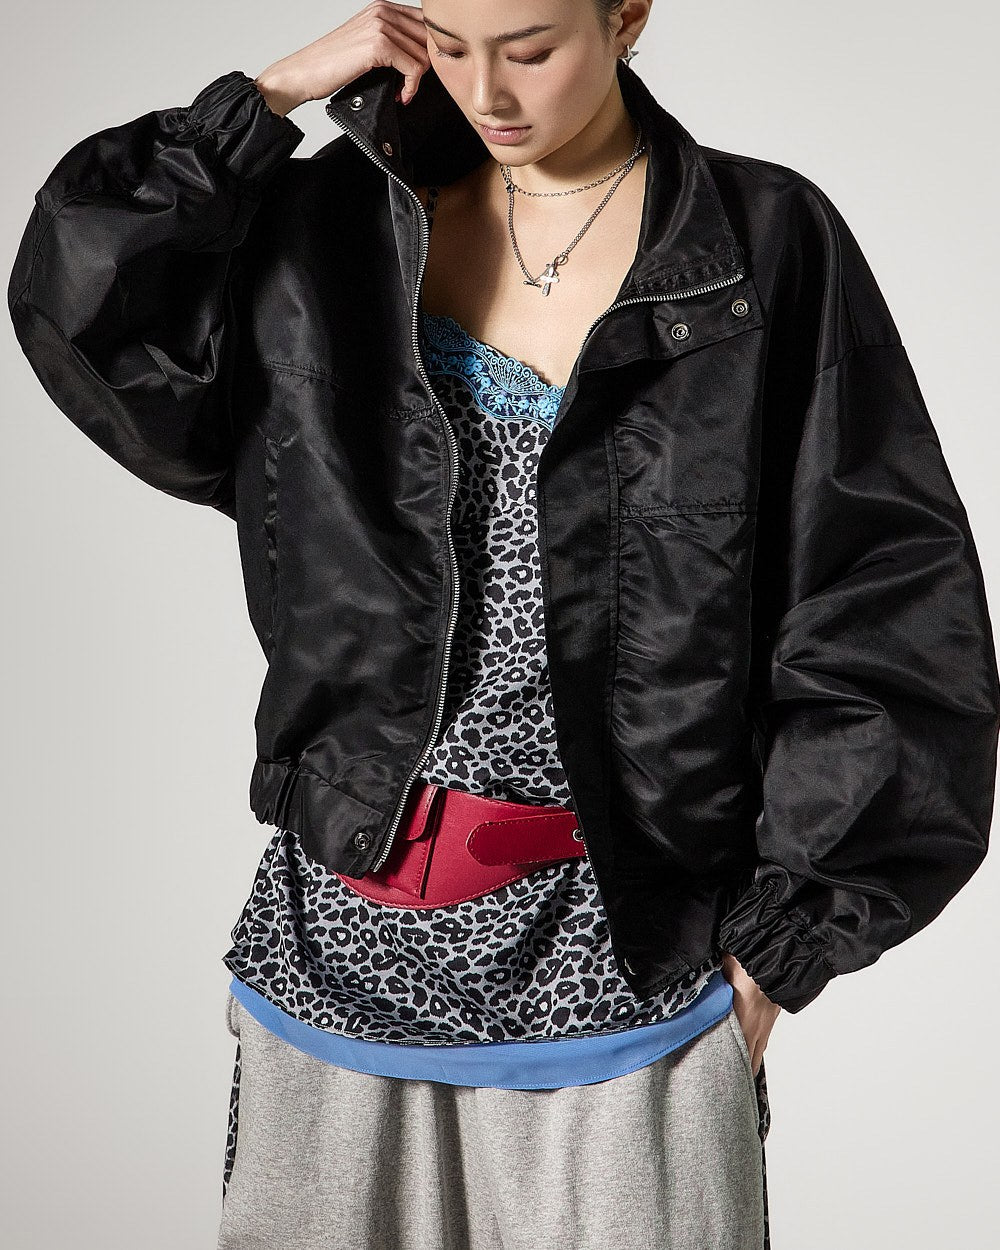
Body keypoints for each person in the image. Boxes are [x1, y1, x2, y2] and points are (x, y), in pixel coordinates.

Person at [7, 2, 998, 1248]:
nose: (486, 90)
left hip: (635, 971)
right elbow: (84, 306)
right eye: (445, 39)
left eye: (528, 47)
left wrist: (778, 951)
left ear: (626, 14)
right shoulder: (326, 229)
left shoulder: (759, 243)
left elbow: (885, 602)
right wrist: (267, 99)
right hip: (330, 956)